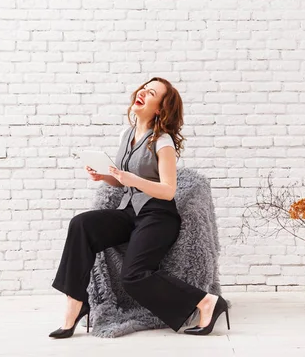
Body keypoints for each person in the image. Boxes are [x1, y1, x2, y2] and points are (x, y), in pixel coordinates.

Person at [49, 77, 230, 339]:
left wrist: (129, 179)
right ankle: (76, 304)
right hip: (129, 212)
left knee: (133, 277)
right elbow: (123, 180)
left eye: (151, 93)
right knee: (82, 224)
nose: (143, 93)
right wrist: (106, 177)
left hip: (158, 216)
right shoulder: (127, 134)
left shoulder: (163, 141)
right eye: (143, 89)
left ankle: (206, 302)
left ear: (160, 108)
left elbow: (168, 190)